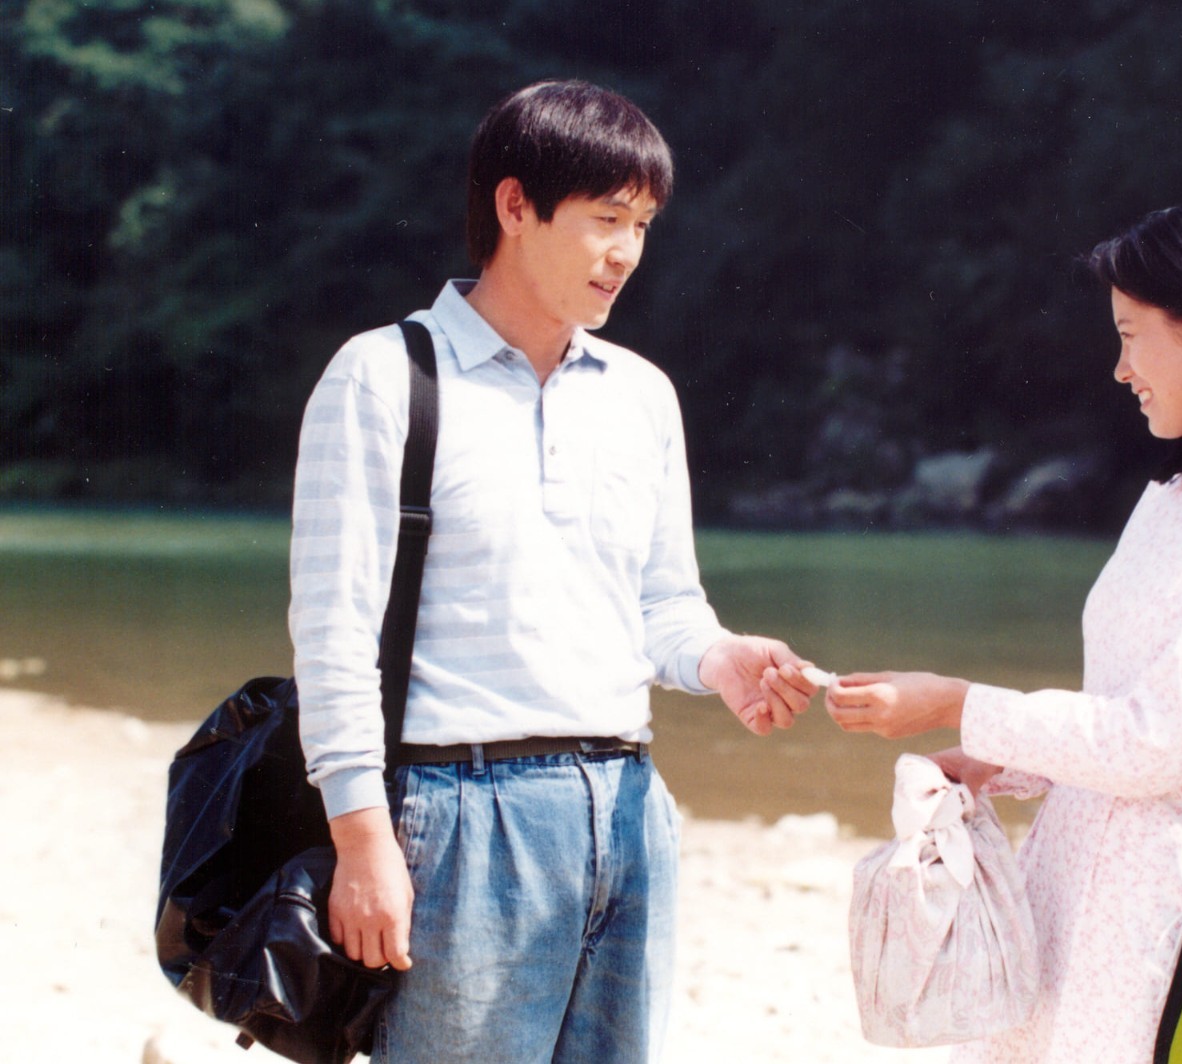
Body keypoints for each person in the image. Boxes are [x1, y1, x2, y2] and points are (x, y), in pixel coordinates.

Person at [288, 80, 819, 1063]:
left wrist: (722, 659)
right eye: (606, 219)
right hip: (458, 813)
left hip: (629, 807)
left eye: (643, 225)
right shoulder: (384, 376)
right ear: (514, 205)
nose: (627, 252)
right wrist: (362, 840)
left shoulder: (641, 395)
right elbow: (334, 636)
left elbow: (664, 603)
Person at [826, 203, 1182, 1062]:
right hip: (1072, 879)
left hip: (1176, 902)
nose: (1120, 367)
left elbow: (1159, 743)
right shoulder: (1176, 493)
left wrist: (959, 704)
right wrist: (998, 761)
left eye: (1131, 335)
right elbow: (1117, 706)